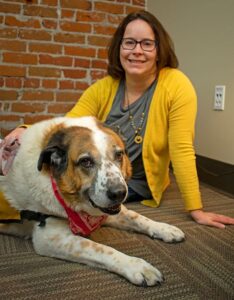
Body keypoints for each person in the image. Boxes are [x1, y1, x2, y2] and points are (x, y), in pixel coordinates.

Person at [1, 10, 234, 229]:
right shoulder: (104, 87)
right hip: (95, 170)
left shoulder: (176, 85)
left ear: (159, 50)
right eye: (129, 42)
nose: (137, 51)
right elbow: (68, 124)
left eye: (147, 43)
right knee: (38, 175)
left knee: (56, 196)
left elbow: (181, 148)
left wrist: (196, 208)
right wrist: (25, 130)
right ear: (119, 48)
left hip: (132, 181)